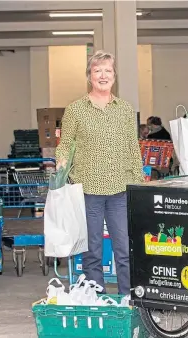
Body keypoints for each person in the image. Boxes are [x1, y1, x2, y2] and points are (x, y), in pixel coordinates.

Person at [55, 50, 144, 295]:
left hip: (119, 189)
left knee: (124, 249)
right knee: (92, 250)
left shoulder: (125, 109)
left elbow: (131, 146)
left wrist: (138, 181)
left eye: (107, 70)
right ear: (89, 76)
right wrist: (61, 163)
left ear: (114, 76)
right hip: (88, 190)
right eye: (97, 71)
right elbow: (65, 143)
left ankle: (129, 300)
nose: (103, 75)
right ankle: (97, 298)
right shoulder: (75, 109)